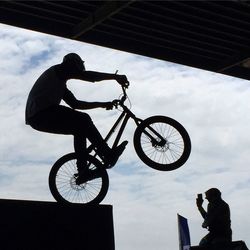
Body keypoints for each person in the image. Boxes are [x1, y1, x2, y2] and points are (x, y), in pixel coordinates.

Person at [25, 53, 129, 183]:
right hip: (41, 114)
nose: (76, 72)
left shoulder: (60, 82)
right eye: (76, 69)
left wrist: (102, 104)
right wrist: (115, 77)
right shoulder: (58, 71)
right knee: (83, 120)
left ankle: (83, 171)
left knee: (80, 128)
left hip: (39, 117)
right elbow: (90, 77)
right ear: (71, 65)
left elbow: (75, 104)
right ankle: (106, 154)